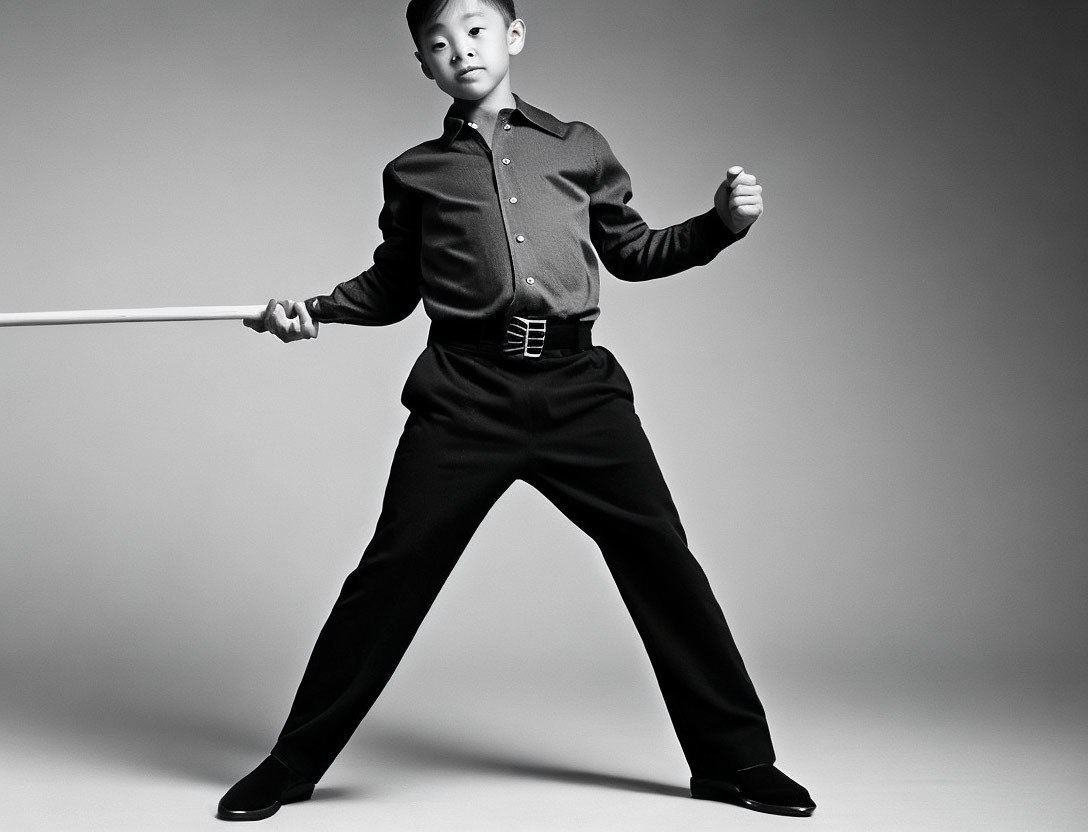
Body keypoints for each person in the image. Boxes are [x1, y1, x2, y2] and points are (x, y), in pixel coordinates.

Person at [217, 0, 814, 821]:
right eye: (437, 43)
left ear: (513, 35)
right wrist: (314, 311)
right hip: (466, 394)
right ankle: (291, 765)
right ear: (422, 64)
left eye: (474, 29)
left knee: (663, 562)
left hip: (579, 390)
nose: (459, 49)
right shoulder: (414, 172)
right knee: (390, 574)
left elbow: (634, 253)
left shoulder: (579, 146)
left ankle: (735, 763)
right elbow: (393, 287)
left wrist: (720, 225)